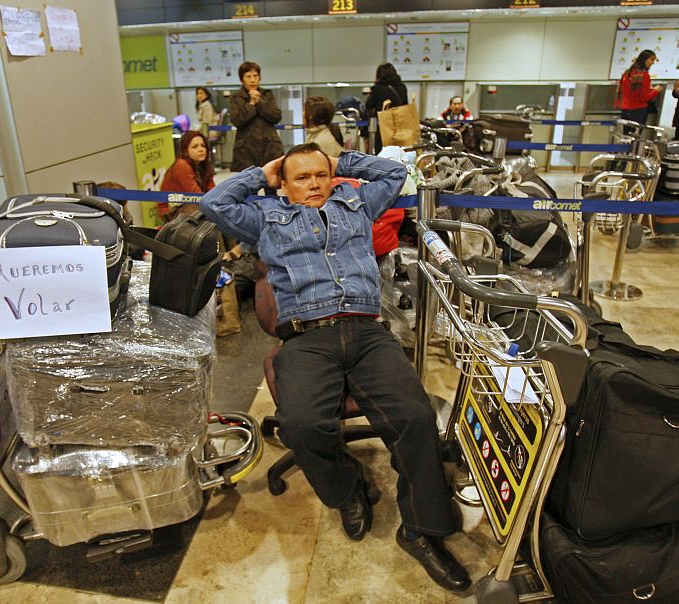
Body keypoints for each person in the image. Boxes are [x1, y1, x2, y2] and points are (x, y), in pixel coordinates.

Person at [200, 144, 471, 594]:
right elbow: (214, 203)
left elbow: (392, 174)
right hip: (307, 339)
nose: (313, 184)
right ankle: (348, 490)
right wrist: (261, 174)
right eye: (301, 177)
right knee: (302, 425)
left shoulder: (357, 204)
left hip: (366, 333)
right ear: (283, 184)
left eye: (319, 175)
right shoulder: (264, 217)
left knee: (416, 418)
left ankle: (421, 532)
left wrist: (342, 162)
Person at [229, 61, 284, 175]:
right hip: (246, 150)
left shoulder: (267, 94)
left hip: (269, 147)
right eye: (248, 76)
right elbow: (237, 121)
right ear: (242, 79)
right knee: (249, 186)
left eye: (255, 76)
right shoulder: (236, 97)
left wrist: (260, 102)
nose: (252, 80)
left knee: (271, 185)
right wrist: (251, 104)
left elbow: (276, 116)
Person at [158, 130, 215, 221]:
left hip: (192, 204)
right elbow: (196, 195)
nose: (201, 149)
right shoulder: (182, 166)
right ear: (185, 151)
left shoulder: (204, 165)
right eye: (195, 147)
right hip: (173, 210)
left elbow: (212, 190)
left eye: (203, 146)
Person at [364, 63, 408, 154]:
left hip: (382, 130)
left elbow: (368, 105)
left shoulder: (377, 89)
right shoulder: (402, 88)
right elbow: (405, 105)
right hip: (399, 129)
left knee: (382, 155)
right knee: (398, 155)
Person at [616, 49, 664, 125]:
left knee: (626, 135)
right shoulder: (644, 75)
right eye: (651, 59)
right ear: (644, 59)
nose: (653, 62)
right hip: (638, 110)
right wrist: (656, 90)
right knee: (636, 135)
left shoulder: (627, 72)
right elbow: (643, 98)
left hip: (625, 109)